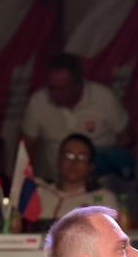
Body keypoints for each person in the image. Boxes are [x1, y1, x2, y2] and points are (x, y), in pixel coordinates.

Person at [21, 53, 131, 185]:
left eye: (61, 89)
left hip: (100, 184)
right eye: (51, 88)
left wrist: (105, 163)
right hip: (57, 184)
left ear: (78, 84)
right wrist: (28, 180)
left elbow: (126, 137)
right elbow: (27, 145)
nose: (55, 94)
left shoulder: (104, 98)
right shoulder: (38, 101)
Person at [33, 134, 105, 224]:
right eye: (68, 156)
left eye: (81, 157)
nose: (74, 162)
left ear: (91, 166)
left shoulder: (103, 198)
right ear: (58, 161)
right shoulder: (39, 193)